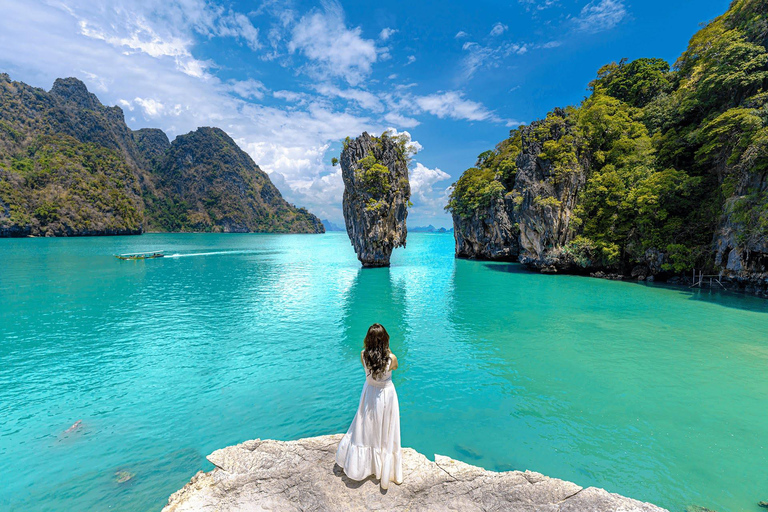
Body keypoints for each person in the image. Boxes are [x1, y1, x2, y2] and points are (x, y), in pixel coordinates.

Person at [335, 323, 403, 489]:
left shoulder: (363, 355)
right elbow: (395, 367)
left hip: (369, 393)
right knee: (385, 428)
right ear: (385, 339)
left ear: (368, 339)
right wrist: (387, 350)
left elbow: (368, 369)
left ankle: (364, 465)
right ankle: (382, 466)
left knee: (365, 427)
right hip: (386, 395)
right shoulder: (391, 359)